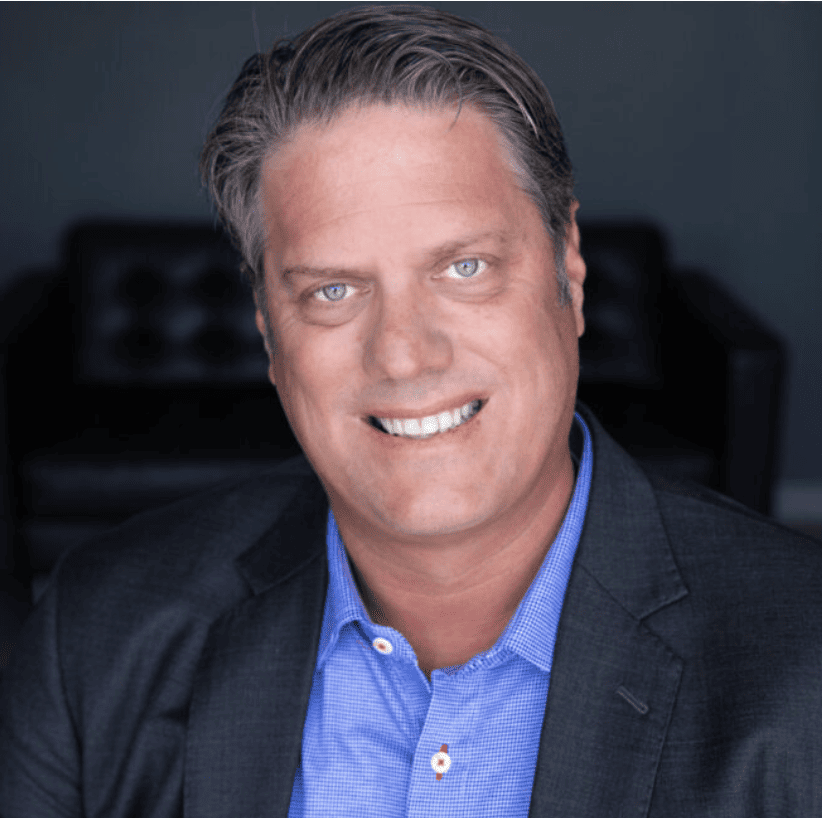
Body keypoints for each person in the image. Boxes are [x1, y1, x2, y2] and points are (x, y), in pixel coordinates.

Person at [1, 6, 820, 816]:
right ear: (268, 330)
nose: (403, 354)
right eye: (333, 289)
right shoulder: (97, 634)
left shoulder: (804, 667)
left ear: (567, 268)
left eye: (464, 268)